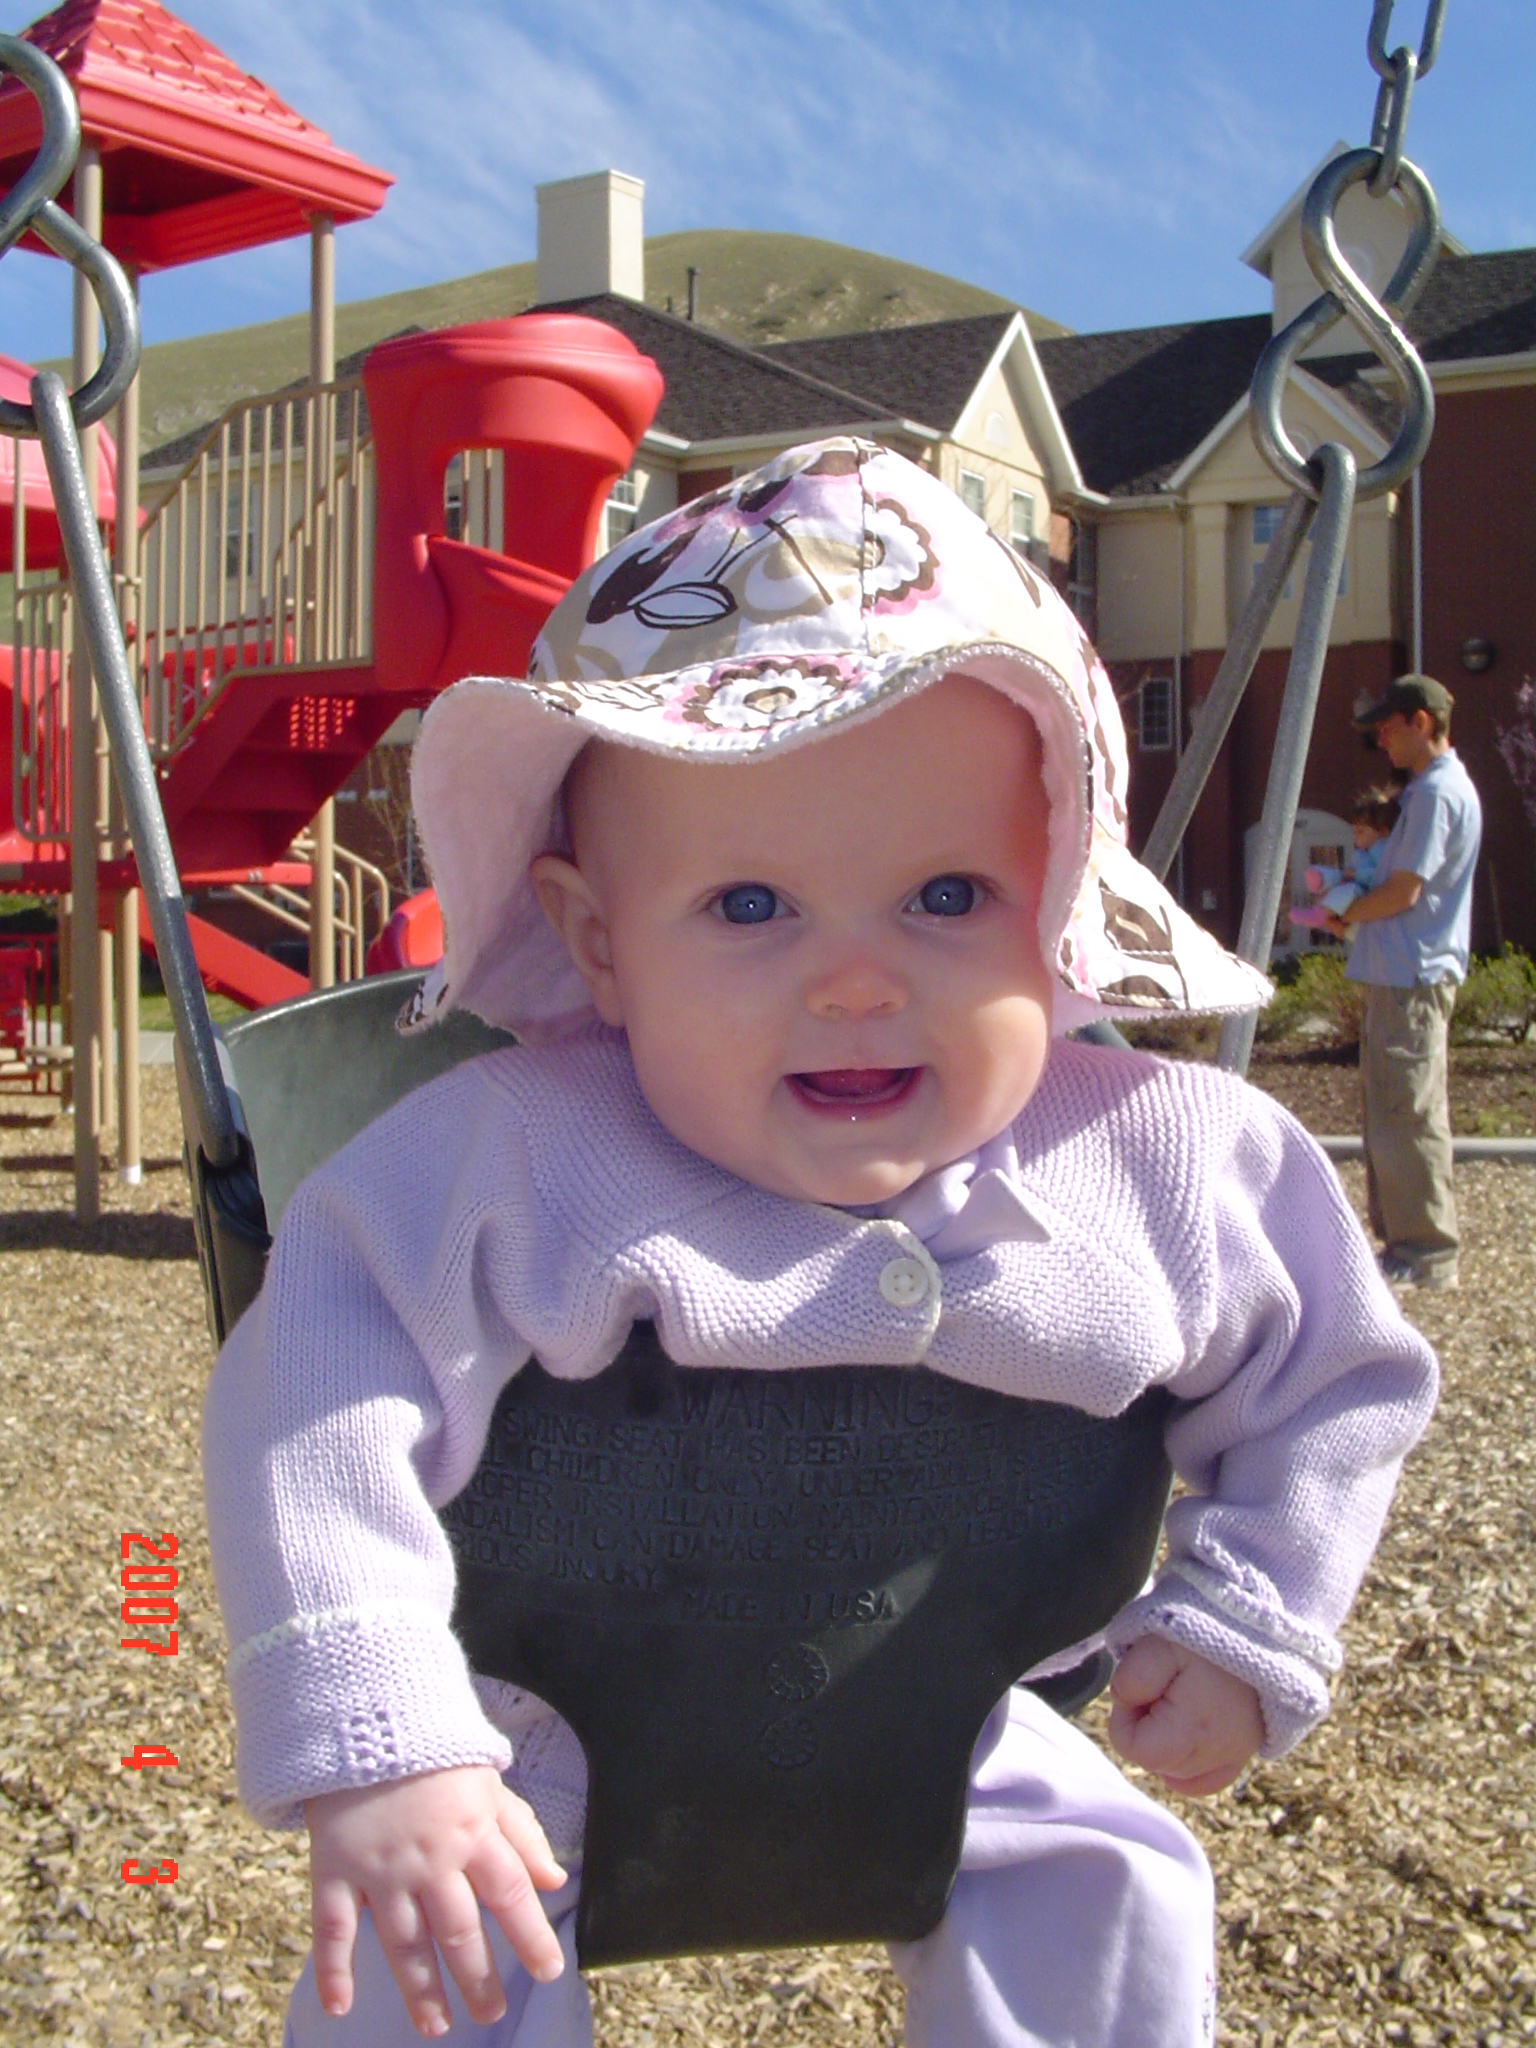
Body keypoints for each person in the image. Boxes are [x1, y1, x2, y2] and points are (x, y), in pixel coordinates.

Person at [202, 438, 1438, 2048]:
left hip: (959, 1710)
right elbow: (311, 1393)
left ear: (1062, 900)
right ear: (597, 942)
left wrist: (1251, 1613)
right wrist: (384, 1732)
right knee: (431, 1943)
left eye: (947, 896)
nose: (857, 981)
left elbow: (1336, 1376)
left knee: (1118, 1878)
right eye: (749, 907)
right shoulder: (509, 1153)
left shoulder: (1168, 1155)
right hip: (534, 1740)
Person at [1327, 674, 1483, 1291]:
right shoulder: (1425, 792)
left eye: (1389, 727)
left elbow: (1403, 890)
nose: (1380, 739)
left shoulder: (1437, 794)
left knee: (1408, 1113)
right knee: (1396, 1112)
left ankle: (1425, 1253)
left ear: (1423, 722)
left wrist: (1347, 915)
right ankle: (1404, 1245)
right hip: (1404, 974)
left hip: (1412, 976)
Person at [1288, 785, 1400, 930]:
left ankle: (1320, 914)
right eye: (1354, 832)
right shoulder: (1364, 851)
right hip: (1356, 884)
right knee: (1340, 880)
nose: (1355, 837)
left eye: (1361, 832)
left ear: (1383, 831)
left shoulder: (1382, 850)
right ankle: (1320, 878)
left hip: (1367, 891)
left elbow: (1381, 874)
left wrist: (1356, 875)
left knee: (1348, 891)